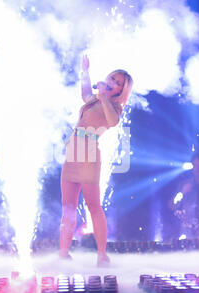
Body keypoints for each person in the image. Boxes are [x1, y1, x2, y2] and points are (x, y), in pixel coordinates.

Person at [59, 54, 133, 266]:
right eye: (112, 78)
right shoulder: (96, 99)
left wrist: (102, 96)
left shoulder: (114, 107)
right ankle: (63, 252)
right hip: (73, 150)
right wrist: (85, 72)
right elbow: (84, 93)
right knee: (68, 206)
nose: (112, 83)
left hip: (89, 153)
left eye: (117, 83)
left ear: (121, 90)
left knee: (93, 206)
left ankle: (102, 254)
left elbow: (112, 121)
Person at [169, 152, 199, 239]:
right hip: (189, 232)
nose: (198, 169)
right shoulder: (184, 185)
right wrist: (182, 193)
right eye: (195, 165)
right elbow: (172, 206)